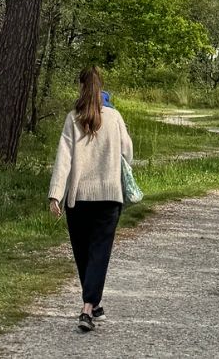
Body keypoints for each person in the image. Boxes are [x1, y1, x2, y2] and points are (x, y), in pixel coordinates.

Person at [47, 67, 133, 332]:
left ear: (81, 88)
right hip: (109, 197)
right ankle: (93, 306)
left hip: (79, 198)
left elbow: (64, 160)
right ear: (101, 87)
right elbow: (128, 154)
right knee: (98, 253)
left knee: (83, 253)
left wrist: (55, 195)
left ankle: (86, 308)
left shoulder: (73, 118)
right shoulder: (115, 117)